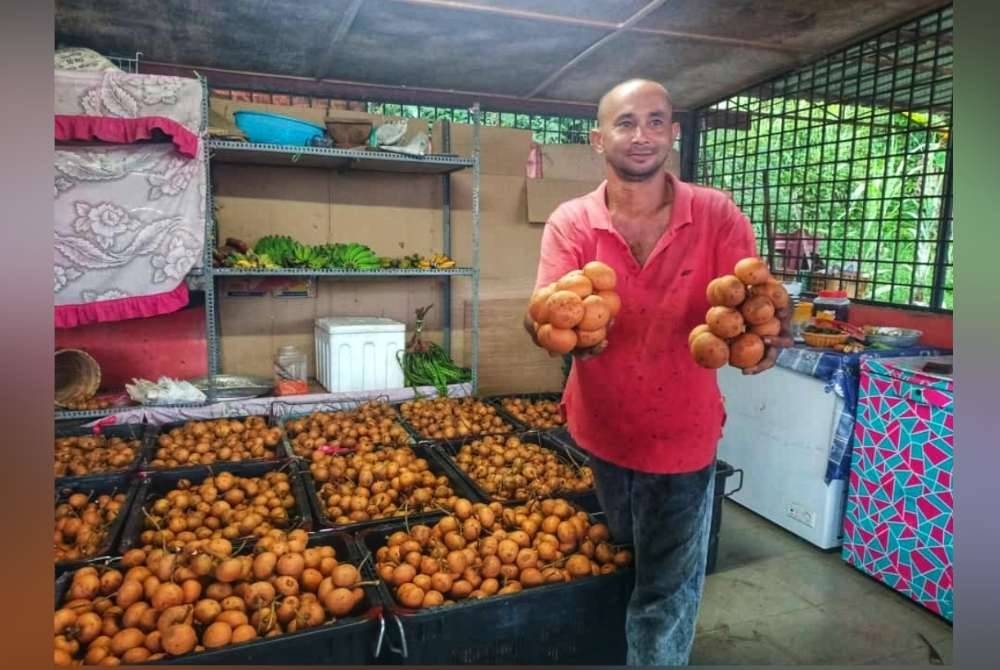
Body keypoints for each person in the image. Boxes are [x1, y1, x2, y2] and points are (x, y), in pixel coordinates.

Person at [524, 79, 792, 666]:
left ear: (673, 132)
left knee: (666, 589)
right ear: (598, 139)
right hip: (601, 428)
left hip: (682, 435)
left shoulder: (717, 214)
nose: (640, 135)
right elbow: (547, 314)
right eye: (625, 122)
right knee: (624, 550)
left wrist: (771, 323)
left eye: (654, 121)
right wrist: (554, 334)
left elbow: (750, 298)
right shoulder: (572, 222)